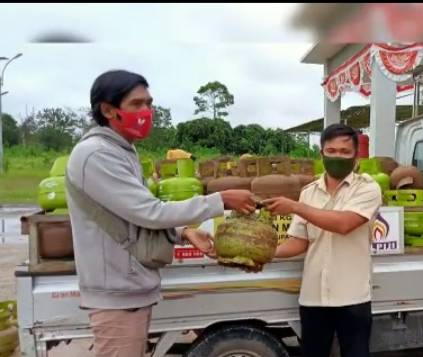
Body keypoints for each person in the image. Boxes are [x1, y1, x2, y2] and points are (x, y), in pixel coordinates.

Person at [66, 69, 256, 357]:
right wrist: (220, 200)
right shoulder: (96, 155)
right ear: (107, 110)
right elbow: (148, 212)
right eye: (136, 104)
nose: (146, 111)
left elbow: (130, 215)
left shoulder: (121, 151)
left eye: (149, 103)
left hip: (129, 289)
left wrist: (184, 232)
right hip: (117, 294)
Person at [264, 124, 382, 357]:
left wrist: (295, 207)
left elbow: (344, 224)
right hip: (313, 297)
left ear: (356, 156)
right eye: (332, 151)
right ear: (322, 154)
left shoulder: (368, 189)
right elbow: (299, 242)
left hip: (352, 297)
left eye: (345, 152)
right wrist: (263, 254)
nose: (337, 156)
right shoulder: (309, 192)